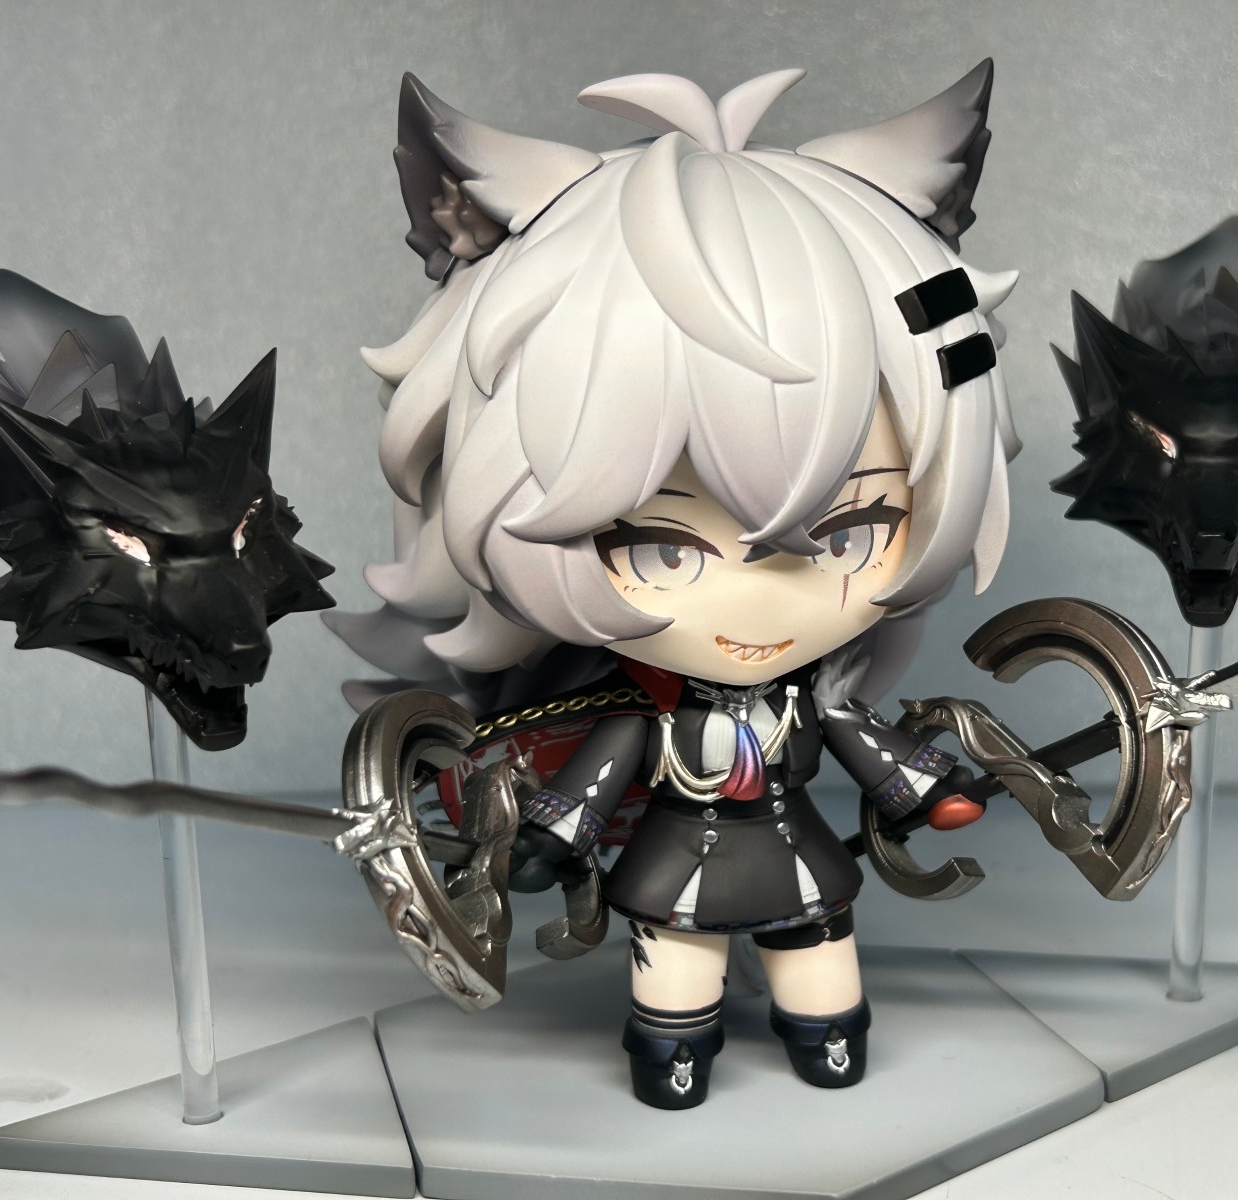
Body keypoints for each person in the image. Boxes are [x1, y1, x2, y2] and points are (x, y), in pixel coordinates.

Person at [331, 60, 1021, 1108]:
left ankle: (827, 1034)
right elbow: (594, 781)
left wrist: (931, 790)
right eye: (663, 547)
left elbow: (864, 744)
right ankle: (673, 1048)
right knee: (676, 963)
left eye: (850, 531)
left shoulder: (814, 696)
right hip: (678, 865)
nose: (755, 600)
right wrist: (544, 835)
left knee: (818, 954)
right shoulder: (645, 710)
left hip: (794, 854)